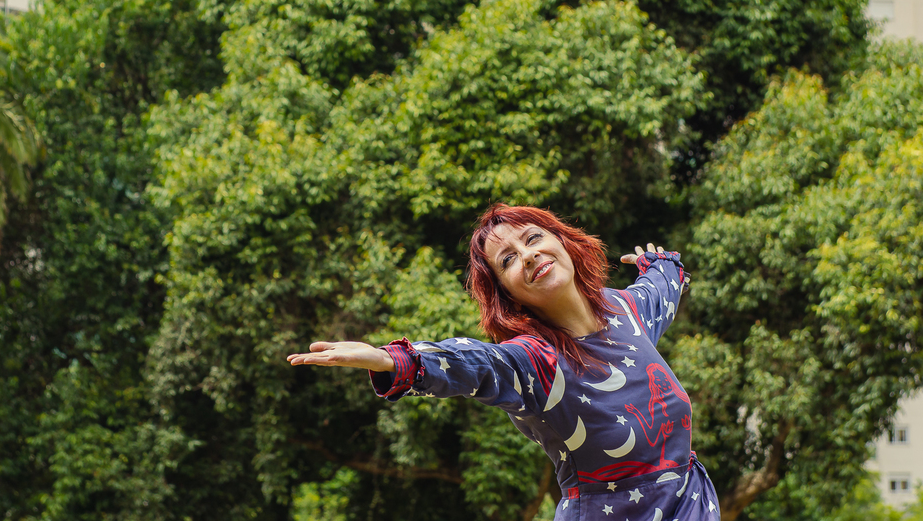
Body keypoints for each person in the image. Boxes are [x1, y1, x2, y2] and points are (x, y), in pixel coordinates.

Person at [288, 204, 720, 521]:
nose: (528, 255)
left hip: (692, 505)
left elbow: (664, 282)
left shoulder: (627, 311)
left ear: (562, 241)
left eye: (532, 239)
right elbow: (473, 362)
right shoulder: (533, 361)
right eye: (508, 260)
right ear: (507, 294)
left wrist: (659, 261)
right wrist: (393, 359)